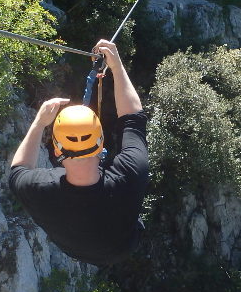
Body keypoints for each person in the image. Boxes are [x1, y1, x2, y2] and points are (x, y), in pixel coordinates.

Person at [9, 39, 148, 266]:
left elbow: (18, 170)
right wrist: (117, 66)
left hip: (75, 248)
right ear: (101, 141)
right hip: (123, 245)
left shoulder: (39, 188)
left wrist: (39, 123)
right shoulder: (130, 175)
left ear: (56, 147)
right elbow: (133, 120)